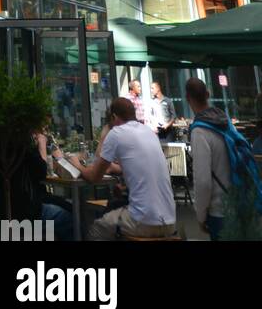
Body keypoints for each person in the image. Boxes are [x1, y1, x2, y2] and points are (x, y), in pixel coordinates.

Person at [63, 97, 177, 240]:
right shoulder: (149, 133)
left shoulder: (116, 133)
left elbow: (94, 177)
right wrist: (123, 184)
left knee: (96, 229)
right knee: (115, 213)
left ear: (114, 117)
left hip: (143, 221)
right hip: (170, 221)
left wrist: (77, 164)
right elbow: (140, 167)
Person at [0, 129, 73, 241]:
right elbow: (41, 172)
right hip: (26, 214)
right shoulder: (22, 140)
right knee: (69, 218)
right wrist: (41, 144)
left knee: (65, 206)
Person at [186, 77, 232, 241]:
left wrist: (200, 215)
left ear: (188, 98)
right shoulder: (225, 122)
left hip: (219, 210)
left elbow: (203, 181)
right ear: (208, 94)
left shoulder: (199, 131)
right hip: (241, 202)